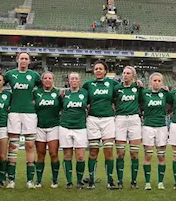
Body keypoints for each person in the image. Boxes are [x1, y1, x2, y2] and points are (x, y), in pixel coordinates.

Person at [4, 52, 42, 189]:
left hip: (30, 113)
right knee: (13, 146)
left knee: (30, 145)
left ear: (29, 61)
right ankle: (11, 180)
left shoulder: (34, 75)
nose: (24, 61)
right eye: (22, 58)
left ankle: (30, 180)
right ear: (17, 60)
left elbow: (43, 88)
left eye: (26, 59)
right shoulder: (9, 74)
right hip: (14, 112)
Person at [82, 61, 119, 189]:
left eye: (100, 69)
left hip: (108, 119)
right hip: (92, 119)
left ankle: (110, 181)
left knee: (108, 151)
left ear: (105, 71)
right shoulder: (88, 84)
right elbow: (80, 97)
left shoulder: (113, 83)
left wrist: (138, 85)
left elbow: (125, 90)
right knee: (93, 151)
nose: (98, 70)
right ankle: (91, 180)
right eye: (96, 68)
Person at [113, 66, 143, 189]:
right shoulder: (116, 88)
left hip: (134, 119)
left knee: (134, 153)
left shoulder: (138, 87)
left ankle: (133, 181)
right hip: (120, 119)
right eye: (124, 73)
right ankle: (120, 181)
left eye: (128, 73)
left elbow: (142, 100)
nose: (125, 75)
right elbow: (112, 101)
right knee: (120, 153)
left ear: (133, 76)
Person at [60, 73, 89, 189]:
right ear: (69, 81)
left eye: (76, 78)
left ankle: (79, 181)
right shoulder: (63, 94)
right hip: (65, 127)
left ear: (79, 81)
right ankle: (69, 182)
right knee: (67, 155)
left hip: (80, 127)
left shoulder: (85, 93)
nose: (74, 80)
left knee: (80, 156)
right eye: (72, 78)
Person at [141, 72, 169, 190]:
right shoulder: (144, 93)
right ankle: (147, 182)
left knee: (161, 156)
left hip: (162, 127)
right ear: (150, 82)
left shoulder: (165, 94)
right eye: (155, 80)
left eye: (159, 81)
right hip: (148, 127)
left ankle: (160, 182)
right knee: (148, 156)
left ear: (162, 83)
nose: (157, 83)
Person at [34, 72, 62, 188]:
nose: (47, 80)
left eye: (50, 78)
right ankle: (39, 181)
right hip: (39, 126)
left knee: (53, 153)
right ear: (42, 80)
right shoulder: (36, 93)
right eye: (45, 78)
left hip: (54, 126)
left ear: (53, 80)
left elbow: (62, 107)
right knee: (40, 154)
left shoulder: (58, 93)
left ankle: (55, 180)